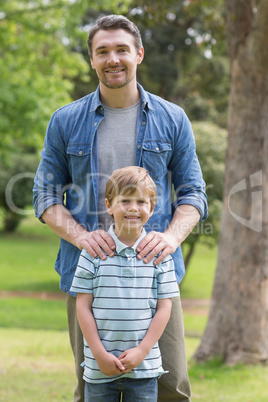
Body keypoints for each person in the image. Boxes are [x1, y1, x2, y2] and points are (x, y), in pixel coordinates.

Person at [33, 14, 208, 402]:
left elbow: (194, 194)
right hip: (89, 281)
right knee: (94, 388)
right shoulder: (65, 121)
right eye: (103, 51)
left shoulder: (172, 118)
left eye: (122, 50)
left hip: (155, 281)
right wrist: (81, 237)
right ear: (92, 60)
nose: (113, 59)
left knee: (171, 389)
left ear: (139, 54)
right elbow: (44, 196)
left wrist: (170, 238)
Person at [70, 166, 180, 401]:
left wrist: (142, 351)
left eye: (141, 201)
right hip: (99, 368)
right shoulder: (93, 253)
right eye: (125, 200)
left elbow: (164, 307)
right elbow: (82, 307)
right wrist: (99, 354)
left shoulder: (160, 256)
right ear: (109, 205)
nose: (133, 208)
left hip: (144, 368)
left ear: (152, 207)